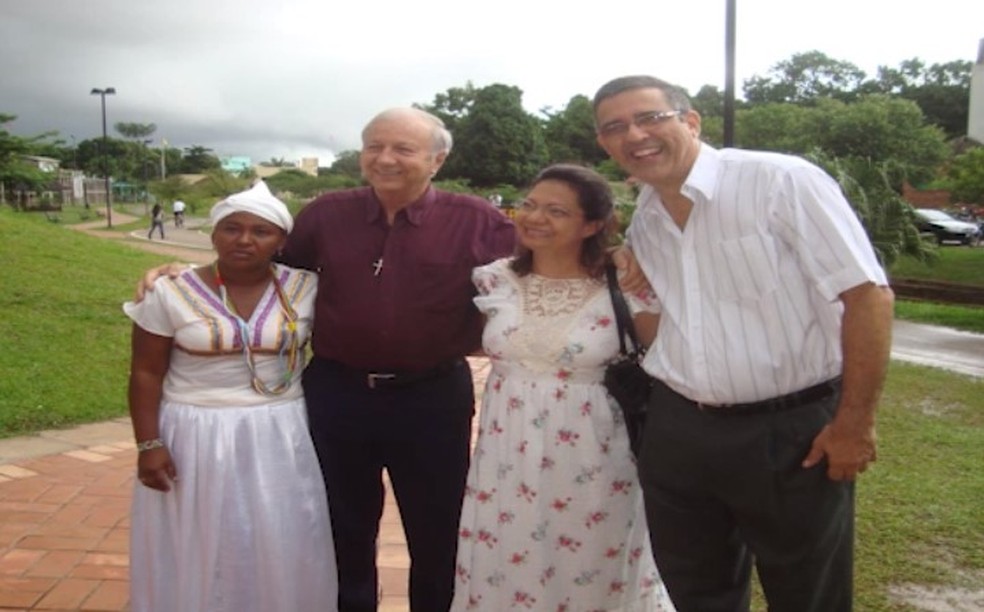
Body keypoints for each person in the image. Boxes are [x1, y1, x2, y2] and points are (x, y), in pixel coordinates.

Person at [592, 75, 895, 611]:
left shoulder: (779, 181)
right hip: (680, 431)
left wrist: (854, 423)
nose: (634, 134)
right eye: (615, 127)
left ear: (690, 121)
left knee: (808, 595)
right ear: (605, 144)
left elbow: (867, 297)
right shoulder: (648, 218)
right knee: (696, 591)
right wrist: (625, 265)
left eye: (649, 118)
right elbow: (664, 316)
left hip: (789, 431)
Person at [451, 164, 675, 611]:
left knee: (593, 559)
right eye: (531, 205)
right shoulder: (495, 280)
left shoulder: (626, 285)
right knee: (508, 557)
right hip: (507, 458)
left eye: (556, 211)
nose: (535, 218)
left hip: (596, 456)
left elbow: (669, 364)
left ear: (592, 225)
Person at [124, 181, 337, 612]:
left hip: (280, 429)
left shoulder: (307, 288)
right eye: (231, 228)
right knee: (198, 534)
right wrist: (148, 444)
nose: (244, 239)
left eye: (261, 231)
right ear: (213, 233)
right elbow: (146, 371)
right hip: (193, 430)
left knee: (279, 530)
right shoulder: (170, 291)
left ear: (281, 240)